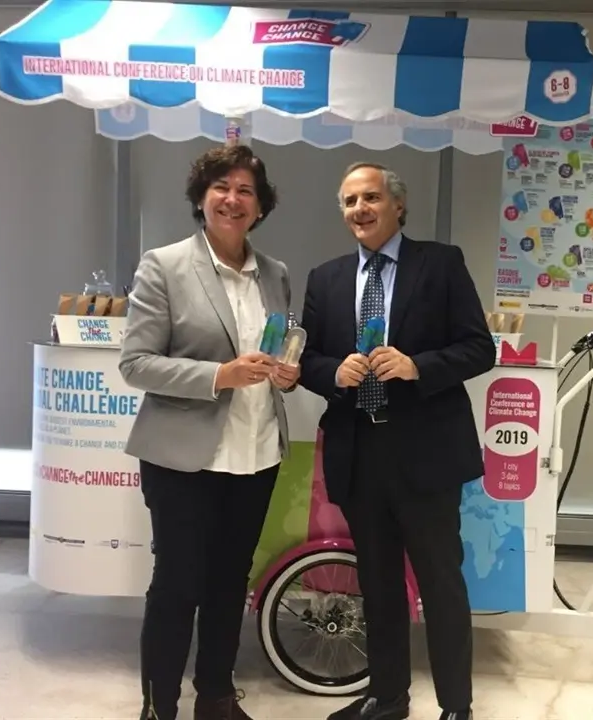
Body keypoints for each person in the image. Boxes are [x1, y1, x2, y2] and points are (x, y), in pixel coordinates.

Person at [299, 162, 496, 720]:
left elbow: (480, 349)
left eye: (370, 198)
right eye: (349, 201)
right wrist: (333, 372)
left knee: (440, 584)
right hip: (359, 454)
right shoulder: (326, 278)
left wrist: (417, 366)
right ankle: (387, 699)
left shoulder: (441, 264)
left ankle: (456, 707)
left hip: (426, 454)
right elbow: (308, 359)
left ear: (398, 205)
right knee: (379, 585)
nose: (359, 209)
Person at [119, 144, 300, 720]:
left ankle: (216, 697)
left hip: (257, 452)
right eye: (221, 186)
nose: (232, 199)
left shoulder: (276, 274)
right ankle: (160, 707)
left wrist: (287, 374)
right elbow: (136, 364)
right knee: (178, 585)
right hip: (183, 459)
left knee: (229, 582)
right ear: (201, 198)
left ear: (261, 207)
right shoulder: (164, 265)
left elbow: (276, 349)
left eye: (246, 190)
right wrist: (220, 375)